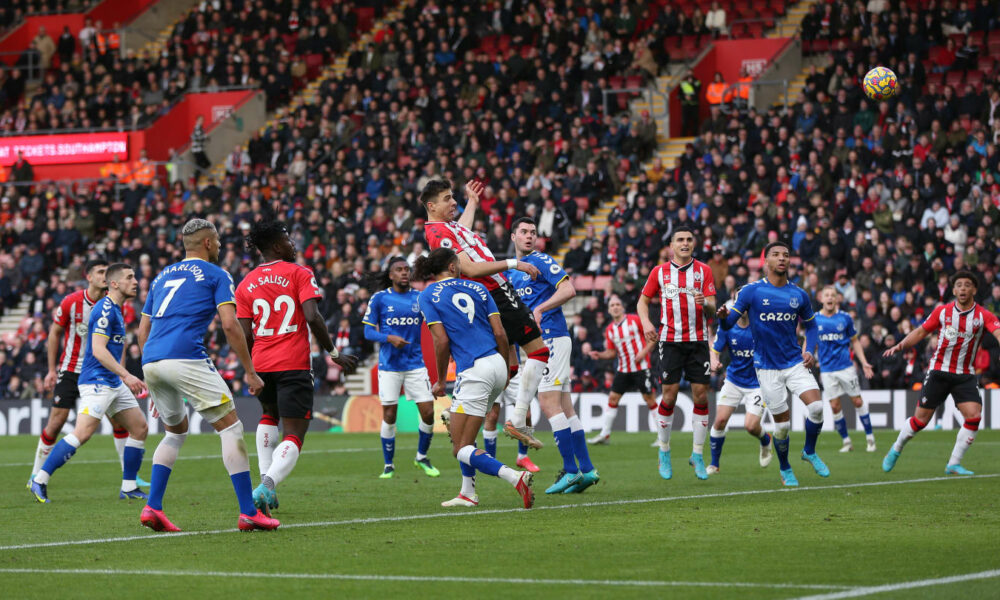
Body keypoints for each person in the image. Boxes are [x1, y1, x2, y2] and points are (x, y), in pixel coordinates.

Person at [137, 219, 276, 532]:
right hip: (186, 356)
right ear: (208, 243)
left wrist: (153, 377)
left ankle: (153, 507)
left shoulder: (161, 276)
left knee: (175, 433)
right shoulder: (217, 274)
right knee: (231, 428)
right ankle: (248, 512)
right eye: (218, 241)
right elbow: (229, 324)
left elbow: (143, 330)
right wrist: (250, 371)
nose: (221, 246)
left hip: (152, 360)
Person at [237, 220, 359, 513]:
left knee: (268, 416)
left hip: (261, 363)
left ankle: (265, 484)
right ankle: (267, 485)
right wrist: (333, 352)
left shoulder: (246, 283)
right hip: (293, 363)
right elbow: (312, 316)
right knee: (294, 433)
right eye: (288, 240)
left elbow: (244, 334)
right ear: (276, 245)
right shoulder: (300, 273)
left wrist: (250, 367)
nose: (293, 244)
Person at [421, 179, 549, 449]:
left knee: (510, 367)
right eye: (447, 199)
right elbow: (469, 268)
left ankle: (457, 409)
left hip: (493, 292)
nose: (453, 202)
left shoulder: (448, 227)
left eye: (453, 197)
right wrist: (515, 263)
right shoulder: (438, 233)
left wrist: (472, 202)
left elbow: (463, 231)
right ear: (431, 206)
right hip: (496, 291)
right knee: (539, 352)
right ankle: (517, 419)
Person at [415, 247, 534, 508]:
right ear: (453, 267)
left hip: (474, 370)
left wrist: (439, 380)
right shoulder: (478, 288)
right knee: (464, 435)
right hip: (497, 363)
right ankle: (468, 492)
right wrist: (505, 369)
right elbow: (500, 333)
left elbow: (441, 341)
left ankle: (515, 477)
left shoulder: (427, 295)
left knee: (460, 448)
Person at [28, 264, 149, 503]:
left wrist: (121, 376)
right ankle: (39, 479)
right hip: (97, 381)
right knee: (82, 433)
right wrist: (126, 375)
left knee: (140, 428)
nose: (135, 281)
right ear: (115, 284)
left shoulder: (117, 309)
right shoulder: (105, 310)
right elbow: (98, 350)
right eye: (129, 277)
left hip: (112, 380)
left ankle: (129, 486)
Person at [717, 242, 828, 487]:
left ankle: (809, 451)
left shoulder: (799, 294)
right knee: (783, 427)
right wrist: (723, 319)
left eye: (786, 255)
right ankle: (785, 467)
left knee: (817, 407)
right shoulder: (751, 291)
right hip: (766, 368)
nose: (782, 258)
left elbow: (811, 326)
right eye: (776, 255)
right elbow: (728, 324)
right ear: (765, 261)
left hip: (794, 362)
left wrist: (809, 349)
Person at [506, 218, 598, 494]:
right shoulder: (512, 273)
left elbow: (569, 289)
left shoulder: (542, 260)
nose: (529, 236)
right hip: (539, 343)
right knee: (566, 408)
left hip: (551, 338)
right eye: (524, 232)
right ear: (513, 237)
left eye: (533, 232)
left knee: (548, 404)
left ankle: (570, 471)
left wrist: (541, 309)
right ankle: (587, 469)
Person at [882, 271, 1000, 475]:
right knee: (920, 421)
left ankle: (953, 463)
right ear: (953, 290)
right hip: (939, 370)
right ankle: (896, 447)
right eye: (959, 285)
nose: (963, 288)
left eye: (967, 285)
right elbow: (921, 331)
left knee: (974, 416)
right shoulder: (943, 312)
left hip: (965, 374)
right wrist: (901, 345)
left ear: (974, 290)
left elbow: (998, 332)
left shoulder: (983, 315)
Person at [637, 226, 716, 480]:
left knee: (701, 395)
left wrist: (706, 303)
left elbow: (713, 307)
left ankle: (697, 454)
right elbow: (642, 301)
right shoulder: (659, 272)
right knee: (669, 396)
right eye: (680, 240)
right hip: (670, 341)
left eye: (689, 240)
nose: (685, 243)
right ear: (672, 245)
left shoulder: (704, 271)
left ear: (694, 244)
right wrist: (646, 323)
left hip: (698, 341)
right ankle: (664, 451)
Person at [362, 256, 439, 479]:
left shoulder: (419, 297)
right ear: (391, 275)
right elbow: (368, 331)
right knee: (389, 415)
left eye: (407, 269)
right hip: (389, 366)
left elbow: (435, 323)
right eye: (399, 269)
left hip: (415, 364)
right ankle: (388, 465)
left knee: (428, 412)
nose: (404, 272)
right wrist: (389, 338)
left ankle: (421, 457)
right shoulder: (379, 298)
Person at [707, 300, 773, 474]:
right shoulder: (727, 326)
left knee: (751, 426)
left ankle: (765, 440)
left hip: (758, 383)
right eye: (739, 301)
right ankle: (714, 464)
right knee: (719, 421)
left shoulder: (762, 326)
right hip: (734, 380)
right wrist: (714, 361)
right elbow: (715, 350)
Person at [587, 295, 657, 445]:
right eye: (612, 305)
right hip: (623, 369)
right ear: (609, 310)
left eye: (618, 304)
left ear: (623, 307)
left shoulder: (635, 320)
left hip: (642, 368)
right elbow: (611, 353)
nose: (615, 307)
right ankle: (605, 435)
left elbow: (653, 338)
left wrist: (643, 353)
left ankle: (662, 437)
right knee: (613, 398)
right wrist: (600, 355)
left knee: (649, 399)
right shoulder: (610, 330)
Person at [815, 286, 876, 453]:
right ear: (821, 299)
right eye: (827, 295)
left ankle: (870, 438)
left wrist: (863, 362)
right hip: (827, 370)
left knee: (857, 401)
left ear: (837, 299)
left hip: (845, 368)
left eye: (832, 295)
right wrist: (806, 357)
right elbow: (810, 341)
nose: (829, 298)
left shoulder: (845, 318)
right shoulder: (815, 319)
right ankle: (847, 442)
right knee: (835, 406)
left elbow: (855, 341)